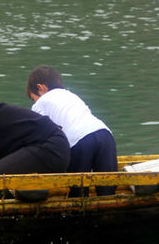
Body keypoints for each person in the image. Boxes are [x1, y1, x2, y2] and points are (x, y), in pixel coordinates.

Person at [25, 66, 117, 195]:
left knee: (78, 192)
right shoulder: (71, 95)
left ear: (40, 88)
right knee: (108, 188)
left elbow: (40, 134)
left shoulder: (40, 103)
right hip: (105, 135)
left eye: (33, 97)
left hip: (79, 140)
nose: (34, 102)